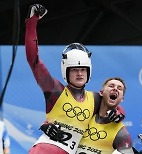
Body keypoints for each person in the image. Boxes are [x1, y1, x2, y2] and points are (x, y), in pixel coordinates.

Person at [25, 4, 124, 154]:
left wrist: (117, 113)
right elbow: (34, 60)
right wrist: (32, 21)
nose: (79, 73)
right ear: (66, 71)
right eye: (75, 70)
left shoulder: (96, 99)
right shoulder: (55, 90)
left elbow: (113, 105)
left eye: (83, 69)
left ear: (89, 71)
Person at [76, 77, 134, 154]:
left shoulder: (122, 134)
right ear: (101, 92)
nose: (115, 89)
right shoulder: (85, 115)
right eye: (111, 86)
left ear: (122, 99)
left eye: (119, 88)